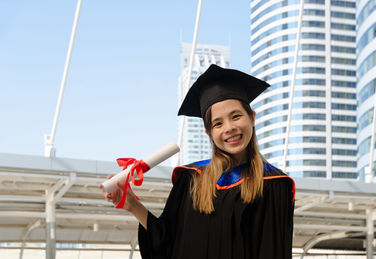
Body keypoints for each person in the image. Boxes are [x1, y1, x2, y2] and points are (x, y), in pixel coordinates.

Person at [102, 64, 295, 259]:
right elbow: (166, 243)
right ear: (209, 132)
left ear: (252, 118)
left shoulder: (273, 183)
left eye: (236, 116)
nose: (229, 128)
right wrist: (132, 204)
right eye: (218, 123)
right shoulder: (191, 178)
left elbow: (273, 251)